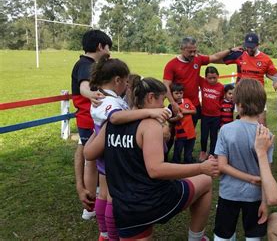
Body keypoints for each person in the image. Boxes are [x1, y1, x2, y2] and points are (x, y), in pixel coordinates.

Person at [84, 77, 219, 240]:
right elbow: (156, 170)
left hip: (123, 206)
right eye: (162, 100)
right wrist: (201, 167)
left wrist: (95, 128)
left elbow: (88, 153)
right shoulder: (150, 125)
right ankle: (196, 238)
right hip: (152, 201)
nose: (163, 106)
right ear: (150, 97)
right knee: (205, 180)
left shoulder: (111, 122)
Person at [89, 59, 171, 240]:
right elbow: (116, 119)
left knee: (104, 194)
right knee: (112, 198)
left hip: (107, 150)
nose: (127, 86)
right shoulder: (108, 100)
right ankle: (110, 235)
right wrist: (150, 112)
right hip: (112, 152)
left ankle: (105, 234)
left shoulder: (102, 97)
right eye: (126, 81)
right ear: (117, 80)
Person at [213, 79, 273, 241]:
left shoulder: (226, 130)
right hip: (255, 197)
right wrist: (265, 203)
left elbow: (222, 166)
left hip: (228, 193)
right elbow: (266, 175)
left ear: (238, 104)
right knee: (253, 235)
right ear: (262, 105)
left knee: (223, 234)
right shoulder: (267, 135)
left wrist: (249, 179)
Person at [71, 29, 111, 220]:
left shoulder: (85, 64)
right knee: (92, 162)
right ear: (99, 46)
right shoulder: (86, 65)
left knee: (89, 159)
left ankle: (91, 201)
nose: (108, 52)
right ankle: (90, 206)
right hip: (89, 120)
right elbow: (83, 86)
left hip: (86, 119)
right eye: (107, 48)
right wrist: (92, 95)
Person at [163, 36, 239, 126]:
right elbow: (165, 85)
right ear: (182, 49)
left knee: (191, 130)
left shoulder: (197, 59)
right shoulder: (172, 65)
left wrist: (230, 50)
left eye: (194, 51)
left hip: (194, 105)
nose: (192, 54)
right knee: (176, 132)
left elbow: (214, 57)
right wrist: (173, 103)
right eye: (190, 51)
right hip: (179, 104)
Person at [223, 33, 277, 125]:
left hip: (258, 96)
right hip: (242, 94)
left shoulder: (265, 59)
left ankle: (261, 139)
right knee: (241, 124)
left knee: (261, 124)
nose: (249, 49)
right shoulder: (239, 54)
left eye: (252, 47)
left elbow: (276, 76)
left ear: (257, 45)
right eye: (247, 46)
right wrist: (230, 50)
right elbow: (217, 59)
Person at [198, 66, 225, 161]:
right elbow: (193, 73)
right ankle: (203, 151)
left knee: (214, 136)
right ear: (205, 77)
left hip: (216, 116)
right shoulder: (202, 82)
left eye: (214, 77)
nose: (212, 80)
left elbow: (222, 98)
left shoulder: (221, 87)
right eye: (209, 78)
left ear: (218, 76)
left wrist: (219, 106)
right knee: (204, 136)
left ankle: (212, 153)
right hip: (205, 115)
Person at [168, 84, 197, 164]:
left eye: (181, 93)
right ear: (172, 94)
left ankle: (188, 160)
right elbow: (169, 120)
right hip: (180, 133)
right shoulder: (171, 106)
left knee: (189, 150)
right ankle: (175, 163)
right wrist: (177, 118)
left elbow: (194, 111)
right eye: (176, 93)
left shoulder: (187, 101)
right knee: (178, 150)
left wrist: (185, 111)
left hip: (191, 132)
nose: (179, 95)